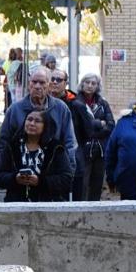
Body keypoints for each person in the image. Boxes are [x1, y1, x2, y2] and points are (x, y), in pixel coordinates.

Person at [0, 67, 78, 165]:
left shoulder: (61, 108)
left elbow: (70, 142)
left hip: (52, 171)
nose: (37, 86)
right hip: (21, 170)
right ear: (29, 84)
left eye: (42, 83)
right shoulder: (15, 109)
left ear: (49, 85)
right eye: (34, 82)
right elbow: (3, 142)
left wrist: (69, 170)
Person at [0, 109, 74, 202]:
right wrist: (15, 179)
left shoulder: (56, 148)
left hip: (48, 205)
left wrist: (40, 182)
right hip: (17, 204)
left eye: (37, 121)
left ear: (46, 125)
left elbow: (66, 178)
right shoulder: (13, 146)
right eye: (29, 119)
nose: (32, 123)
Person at [49, 69, 92, 200]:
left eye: (59, 80)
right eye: (52, 79)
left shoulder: (77, 105)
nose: (55, 82)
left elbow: (88, 131)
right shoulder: (43, 103)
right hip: (51, 162)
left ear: (65, 83)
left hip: (73, 160)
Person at [76, 74, 115, 201]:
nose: (90, 85)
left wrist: (94, 128)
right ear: (82, 84)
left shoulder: (102, 103)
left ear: (97, 86)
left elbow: (110, 125)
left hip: (100, 150)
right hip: (84, 149)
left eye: (94, 83)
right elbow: (82, 128)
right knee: (83, 184)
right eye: (87, 82)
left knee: (97, 185)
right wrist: (99, 123)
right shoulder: (77, 102)